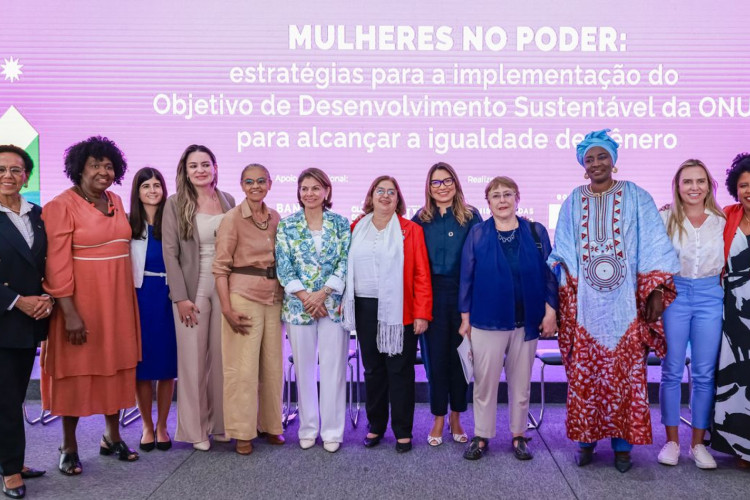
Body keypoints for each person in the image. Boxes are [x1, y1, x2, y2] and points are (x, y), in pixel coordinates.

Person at [548, 129, 679, 472]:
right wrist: (569, 296)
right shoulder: (574, 201)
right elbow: (563, 250)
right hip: (587, 311)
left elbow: (653, 243)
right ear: (583, 165)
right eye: (589, 159)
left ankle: (623, 448)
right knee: (585, 378)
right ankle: (586, 442)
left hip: (626, 310)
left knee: (626, 376)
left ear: (613, 160)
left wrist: (653, 291)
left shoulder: (636, 197)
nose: (596, 164)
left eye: (602, 156)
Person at [42, 136, 142, 475]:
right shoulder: (61, 205)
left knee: (114, 366)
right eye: (95, 165)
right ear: (78, 169)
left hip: (117, 300)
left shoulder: (114, 199)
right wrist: (69, 312)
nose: (103, 171)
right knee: (76, 371)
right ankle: (68, 445)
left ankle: (111, 437)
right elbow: (55, 264)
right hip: (80, 303)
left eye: (108, 165)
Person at [458, 176, 557, 461]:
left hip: (527, 322)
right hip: (486, 321)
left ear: (517, 198)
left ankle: (518, 435)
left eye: (508, 194)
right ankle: (482, 435)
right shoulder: (477, 234)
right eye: (496, 195)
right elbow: (466, 279)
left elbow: (549, 275)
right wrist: (465, 320)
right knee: (484, 383)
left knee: (520, 382)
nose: (502, 200)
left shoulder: (536, 232)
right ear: (487, 202)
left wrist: (551, 312)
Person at [342, 176, 432, 453]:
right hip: (365, 308)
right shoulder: (356, 227)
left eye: (391, 192)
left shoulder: (410, 230)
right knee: (373, 370)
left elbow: (421, 274)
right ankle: (376, 426)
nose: (385, 196)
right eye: (379, 191)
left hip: (400, 312)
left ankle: (403, 431)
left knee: (400, 371)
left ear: (398, 199)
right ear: (370, 196)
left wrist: (422, 313)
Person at [162, 145, 235, 451]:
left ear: (215, 167)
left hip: (225, 287)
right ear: (186, 171)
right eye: (194, 166)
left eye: (206, 164)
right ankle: (195, 430)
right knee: (192, 362)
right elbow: (170, 252)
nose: (201, 170)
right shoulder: (175, 203)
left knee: (221, 358)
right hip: (193, 288)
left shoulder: (228, 199)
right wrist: (179, 297)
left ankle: (220, 425)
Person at [276, 168, 351, 453]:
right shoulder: (287, 225)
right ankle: (308, 428)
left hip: (332, 307)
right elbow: (283, 264)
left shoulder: (340, 224)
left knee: (333, 370)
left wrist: (323, 294)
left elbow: (345, 262)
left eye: (315, 188)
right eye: (304, 188)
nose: (310, 193)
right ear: (298, 192)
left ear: (327, 191)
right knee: (304, 370)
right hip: (299, 307)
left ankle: (332, 431)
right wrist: (307, 297)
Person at [213, 163, 285, 455]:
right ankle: (243, 431)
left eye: (260, 181)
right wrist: (227, 309)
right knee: (242, 370)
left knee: (272, 366)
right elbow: (219, 268)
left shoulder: (276, 217)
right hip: (242, 296)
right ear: (241, 185)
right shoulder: (231, 218)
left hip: (273, 297)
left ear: (270, 183)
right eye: (249, 181)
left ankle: (270, 426)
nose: (255, 186)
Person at [657, 160, 724, 469]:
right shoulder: (664, 217)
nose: (694, 187)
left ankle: (698, 444)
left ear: (709, 185)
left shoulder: (723, 220)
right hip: (676, 295)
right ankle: (671, 441)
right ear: (678, 186)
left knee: (703, 373)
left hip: (711, 296)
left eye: (701, 181)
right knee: (671, 370)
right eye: (688, 182)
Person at [412, 162, 482, 446]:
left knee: (460, 359)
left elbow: (480, 259)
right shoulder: (420, 219)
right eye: (436, 182)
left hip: (464, 296)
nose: (442, 187)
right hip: (431, 297)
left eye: (447, 180)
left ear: (456, 183)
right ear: (428, 188)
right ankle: (438, 416)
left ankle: (457, 415)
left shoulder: (471, 216)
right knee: (435, 361)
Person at [0, 145, 51, 499]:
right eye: (1, 169)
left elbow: (45, 262)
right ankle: (11, 470)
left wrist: (48, 296)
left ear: (27, 176)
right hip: (5, 317)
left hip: (30, 321)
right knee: (5, 399)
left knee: (15, 396)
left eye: (16, 170)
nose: (8, 176)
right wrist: (18, 301)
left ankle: (10, 459)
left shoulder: (37, 214)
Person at [129, 167, 177, 452]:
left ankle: (162, 426)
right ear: (137, 191)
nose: (152, 190)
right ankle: (147, 426)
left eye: (157, 185)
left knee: (166, 366)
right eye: (146, 186)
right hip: (139, 296)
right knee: (143, 367)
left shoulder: (171, 222)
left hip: (168, 297)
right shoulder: (127, 224)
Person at [712, 152, 750, 468]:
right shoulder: (728, 216)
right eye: (743, 185)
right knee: (737, 377)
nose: (748, 190)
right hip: (735, 310)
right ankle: (741, 448)